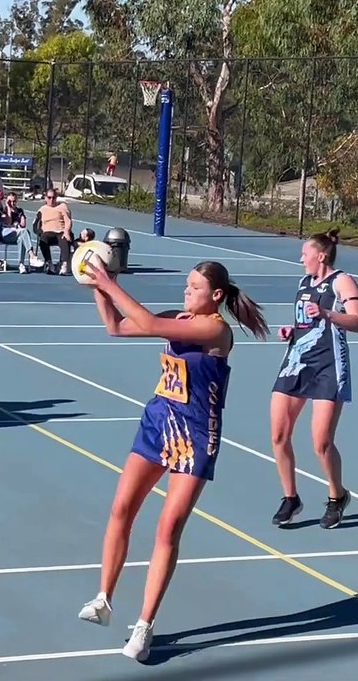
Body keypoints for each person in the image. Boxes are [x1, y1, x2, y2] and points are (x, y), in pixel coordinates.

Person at [77, 258, 269, 662]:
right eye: (186, 285)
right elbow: (117, 326)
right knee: (121, 509)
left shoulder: (215, 329)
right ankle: (103, 598)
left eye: (194, 287)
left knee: (167, 529)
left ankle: (144, 626)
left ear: (215, 295)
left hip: (196, 435)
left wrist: (110, 284)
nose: (186, 291)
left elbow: (145, 322)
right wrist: (95, 283)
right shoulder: (179, 316)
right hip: (159, 421)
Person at [269, 228, 358, 530]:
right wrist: (292, 330)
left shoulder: (341, 282)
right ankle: (290, 498)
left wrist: (327, 313)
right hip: (297, 362)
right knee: (278, 435)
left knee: (321, 442)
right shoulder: (303, 283)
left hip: (328, 366)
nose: (301, 259)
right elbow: (305, 323)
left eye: (305, 254)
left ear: (320, 256)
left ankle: (337, 497)